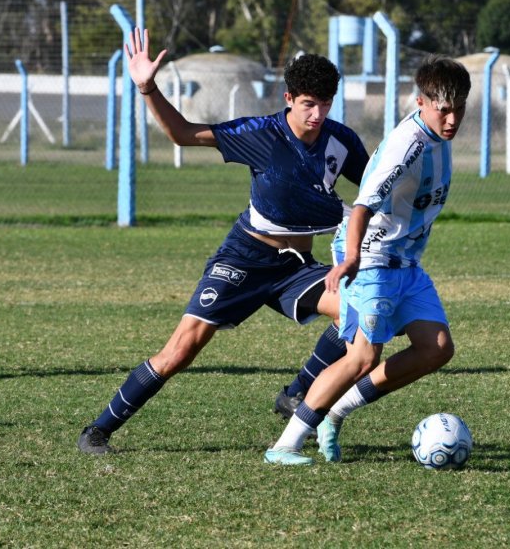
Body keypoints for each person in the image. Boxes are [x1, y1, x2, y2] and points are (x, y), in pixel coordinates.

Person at [77, 28, 368, 454]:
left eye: (325, 104)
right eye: (308, 104)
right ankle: (98, 429)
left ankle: (296, 393)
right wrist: (147, 87)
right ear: (289, 98)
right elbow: (183, 133)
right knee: (181, 350)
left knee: (360, 315)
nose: (317, 114)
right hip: (246, 257)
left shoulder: (342, 141)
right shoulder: (262, 135)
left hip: (296, 268)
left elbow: (375, 190)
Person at [265, 55, 471, 465]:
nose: (451, 119)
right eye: (443, 109)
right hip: (372, 257)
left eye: (458, 108)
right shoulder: (406, 146)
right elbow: (360, 207)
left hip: (405, 263)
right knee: (361, 356)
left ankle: (336, 412)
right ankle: (285, 445)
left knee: (437, 348)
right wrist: (352, 258)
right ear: (421, 103)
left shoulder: (438, 141)